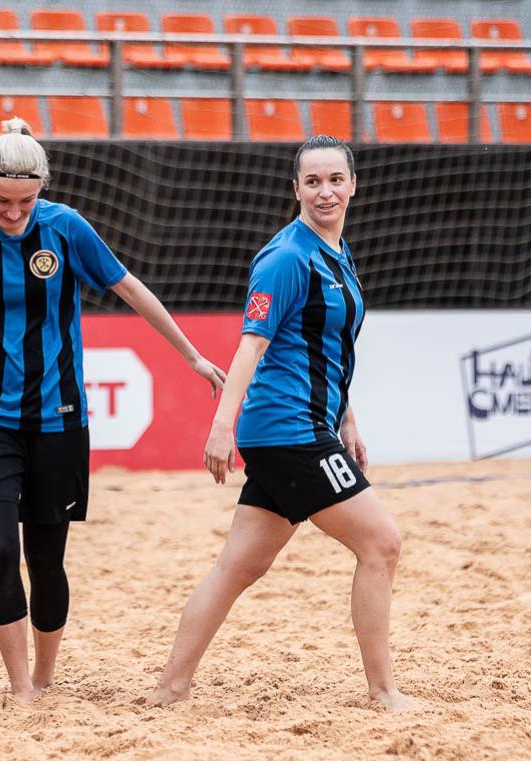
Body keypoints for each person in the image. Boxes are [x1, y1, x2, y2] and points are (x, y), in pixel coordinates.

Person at [0, 118, 226, 703]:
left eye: (26, 201)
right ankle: (20, 687)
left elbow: (130, 288)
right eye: (2, 201)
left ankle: (44, 675)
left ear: (42, 189)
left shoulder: (66, 228)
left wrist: (191, 355)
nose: (14, 213)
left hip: (59, 418)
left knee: (47, 558)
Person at [147, 135, 417, 711]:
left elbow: (328, 348)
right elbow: (252, 345)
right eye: (313, 181)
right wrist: (222, 424)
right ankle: (382, 691)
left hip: (304, 426)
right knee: (382, 544)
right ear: (295, 189)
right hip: (289, 431)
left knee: (239, 565)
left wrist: (347, 418)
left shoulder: (335, 251)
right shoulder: (286, 257)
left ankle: (171, 686)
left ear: (353, 185)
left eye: (335, 180)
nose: (325, 191)